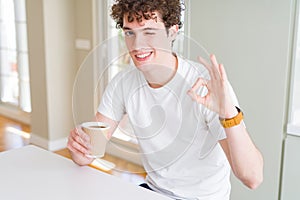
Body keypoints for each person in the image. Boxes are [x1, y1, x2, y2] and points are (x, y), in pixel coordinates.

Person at [67, 0, 263, 199]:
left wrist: (228, 112)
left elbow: (252, 178)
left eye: (149, 32)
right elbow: (87, 153)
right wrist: (79, 148)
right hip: (155, 192)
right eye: (129, 33)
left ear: (172, 31)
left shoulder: (204, 84)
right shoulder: (123, 83)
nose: (137, 45)